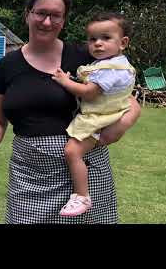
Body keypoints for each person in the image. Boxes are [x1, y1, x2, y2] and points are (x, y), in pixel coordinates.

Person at [0, 0, 141, 224]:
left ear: (64, 20)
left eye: (56, 15)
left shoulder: (86, 57)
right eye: (40, 13)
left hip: (84, 175)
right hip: (29, 173)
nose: (47, 22)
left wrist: (120, 127)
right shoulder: (7, 66)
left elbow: (127, 99)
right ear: (27, 13)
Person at [52, 13, 136, 217]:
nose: (98, 44)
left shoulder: (109, 68)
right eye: (92, 39)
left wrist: (65, 81)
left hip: (97, 118)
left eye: (106, 38)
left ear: (123, 42)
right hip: (106, 115)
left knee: (72, 152)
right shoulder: (115, 64)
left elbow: (90, 92)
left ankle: (82, 196)